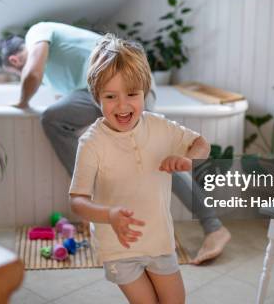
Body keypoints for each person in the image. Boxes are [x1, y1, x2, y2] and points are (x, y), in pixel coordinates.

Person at [0, 22, 230, 264]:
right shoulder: (56, 72)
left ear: (15, 61)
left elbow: (32, 74)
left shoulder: (36, 33)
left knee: (158, 155)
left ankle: (213, 226)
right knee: (54, 119)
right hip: (103, 90)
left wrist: (22, 102)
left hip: (126, 81)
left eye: (15, 75)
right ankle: (95, 200)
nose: (21, 77)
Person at [70, 34, 209, 302]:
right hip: (118, 247)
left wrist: (189, 160)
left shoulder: (159, 127)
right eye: (111, 96)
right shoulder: (91, 143)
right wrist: (109, 214)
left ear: (145, 91)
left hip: (159, 241)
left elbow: (201, 143)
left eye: (132, 94)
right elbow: (77, 201)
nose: (122, 106)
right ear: (96, 97)